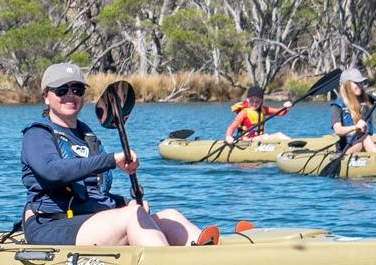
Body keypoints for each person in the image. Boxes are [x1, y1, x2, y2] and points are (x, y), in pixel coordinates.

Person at [20, 62, 214, 247]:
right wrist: (111, 160)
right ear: (46, 96)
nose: (71, 95)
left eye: (77, 90)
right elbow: (53, 172)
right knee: (132, 216)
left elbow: (93, 193)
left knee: (170, 215)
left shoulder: (87, 137)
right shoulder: (37, 134)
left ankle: (207, 255)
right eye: (62, 90)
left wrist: (125, 202)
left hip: (89, 220)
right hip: (51, 224)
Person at [331, 65, 376, 154]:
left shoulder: (367, 98)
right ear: (346, 85)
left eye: (360, 83)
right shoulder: (337, 105)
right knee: (365, 138)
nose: (360, 86)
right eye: (356, 83)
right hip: (348, 149)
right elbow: (338, 130)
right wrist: (355, 127)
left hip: (366, 144)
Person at [223, 83, 294, 144]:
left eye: (257, 101)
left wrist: (286, 107)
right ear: (247, 100)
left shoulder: (263, 109)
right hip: (246, 140)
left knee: (279, 135)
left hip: (260, 139)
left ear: (261, 101)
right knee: (265, 137)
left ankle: (293, 145)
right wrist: (228, 137)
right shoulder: (244, 112)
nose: (254, 103)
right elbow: (232, 127)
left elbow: (280, 113)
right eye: (252, 101)